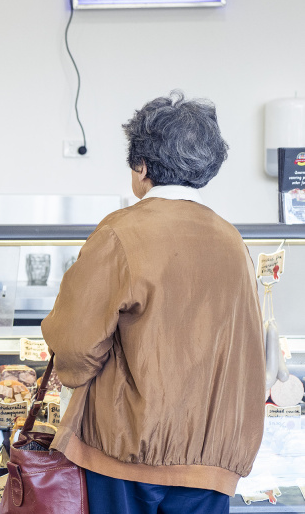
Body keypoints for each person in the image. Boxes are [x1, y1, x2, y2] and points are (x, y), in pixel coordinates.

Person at [41, 90, 264, 514]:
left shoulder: (121, 231)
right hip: (212, 458)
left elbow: (74, 344)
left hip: (125, 450)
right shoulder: (231, 240)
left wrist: (76, 376)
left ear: (141, 166)